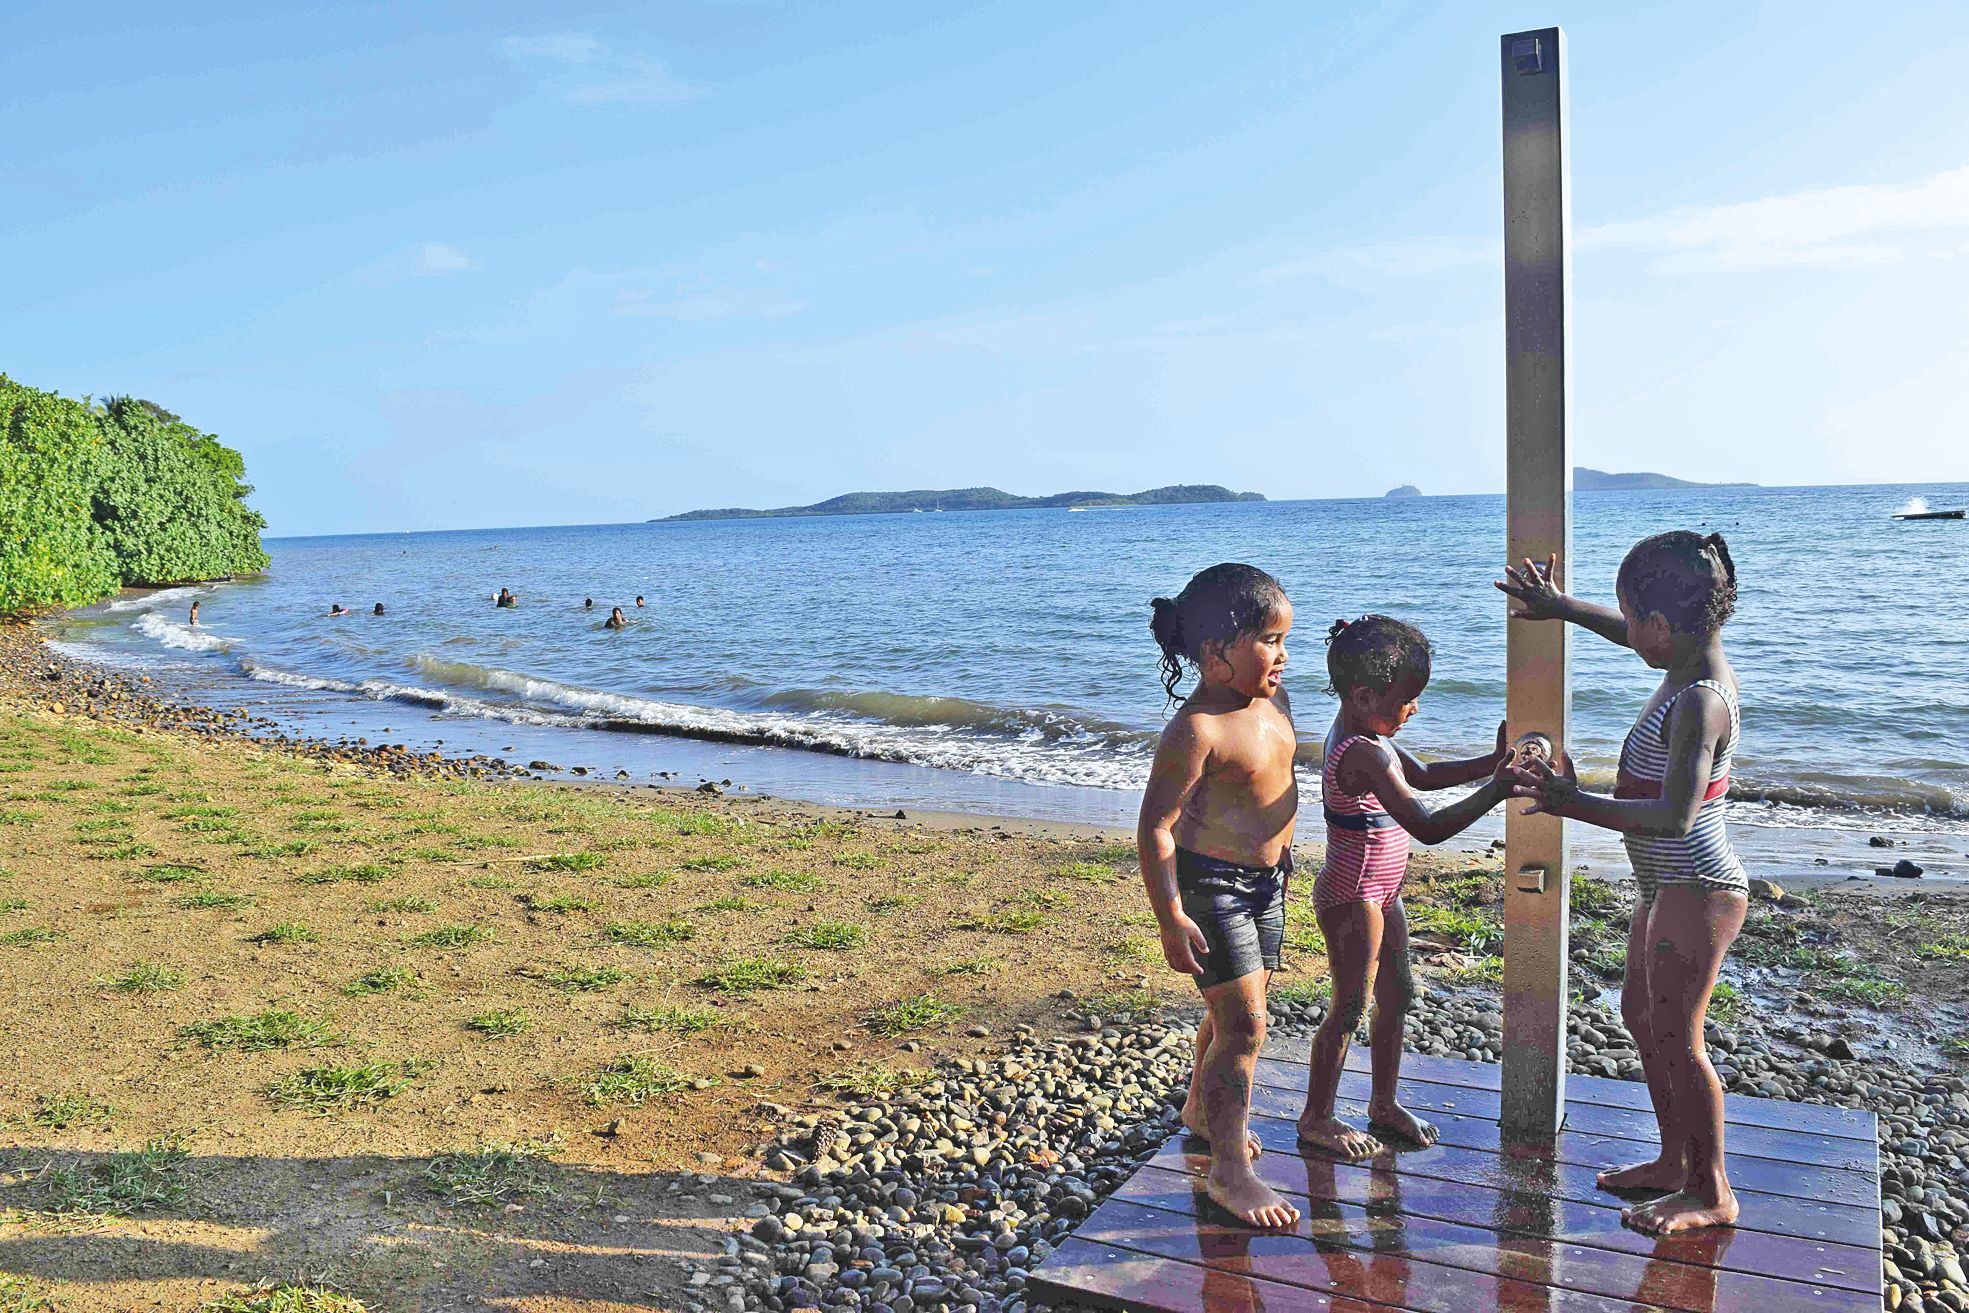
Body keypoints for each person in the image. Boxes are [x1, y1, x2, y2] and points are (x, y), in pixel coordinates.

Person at [1498, 533, 1748, 1236]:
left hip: (1696, 882)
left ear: (1662, 628)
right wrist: (1560, 607)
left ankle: (1710, 1188)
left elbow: (1673, 816)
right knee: (1642, 1019)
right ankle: (1674, 1161)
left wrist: (1565, 800)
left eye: (1631, 619)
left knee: (1679, 1035)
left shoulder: (1699, 702)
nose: (1627, 632)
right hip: (1662, 886)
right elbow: (1630, 634)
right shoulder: (1684, 659)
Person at [1296, 616, 1513, 1161]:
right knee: (1349, 1007)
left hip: (1382, 891)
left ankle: (1383, 1102)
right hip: (1353, 894)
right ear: (1364, 695)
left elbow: (1424, 775)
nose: (1414, 709)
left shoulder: (1371, 734)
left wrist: (1489, 763)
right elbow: (1427, 825)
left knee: (1398, 993)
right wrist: (1497, 790)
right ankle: (1316, 1117)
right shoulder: (1361, 751)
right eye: (1407, 699)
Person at [1138, 563, 1300, 1229]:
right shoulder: (1197, 728)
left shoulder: (1272, 702)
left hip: (1268, 884)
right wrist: (1170, 914)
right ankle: (1228, 1170)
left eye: (1287, 637)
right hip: (1211, 886)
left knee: (1235, 1007)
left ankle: (1201, 1113)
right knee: (1245, 1025)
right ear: (1214, 653)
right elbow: (1156, 825)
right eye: (1268, 639)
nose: (1282, 653)